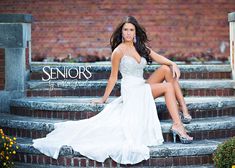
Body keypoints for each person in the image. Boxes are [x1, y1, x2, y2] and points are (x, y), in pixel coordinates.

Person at [32, 16, 193, 165]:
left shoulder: (140, 47)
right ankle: (178, 124)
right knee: (166, 86)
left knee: (166, 69)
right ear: (121, 32)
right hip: (131, 90)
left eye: (131, 30)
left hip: (142, 85)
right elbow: (113, 78)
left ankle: (184, 112)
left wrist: (173, 63)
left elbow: (158, 57)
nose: (128, 33)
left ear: (135, 32)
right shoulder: (118, 51)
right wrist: (103, 99)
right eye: (125, 30)